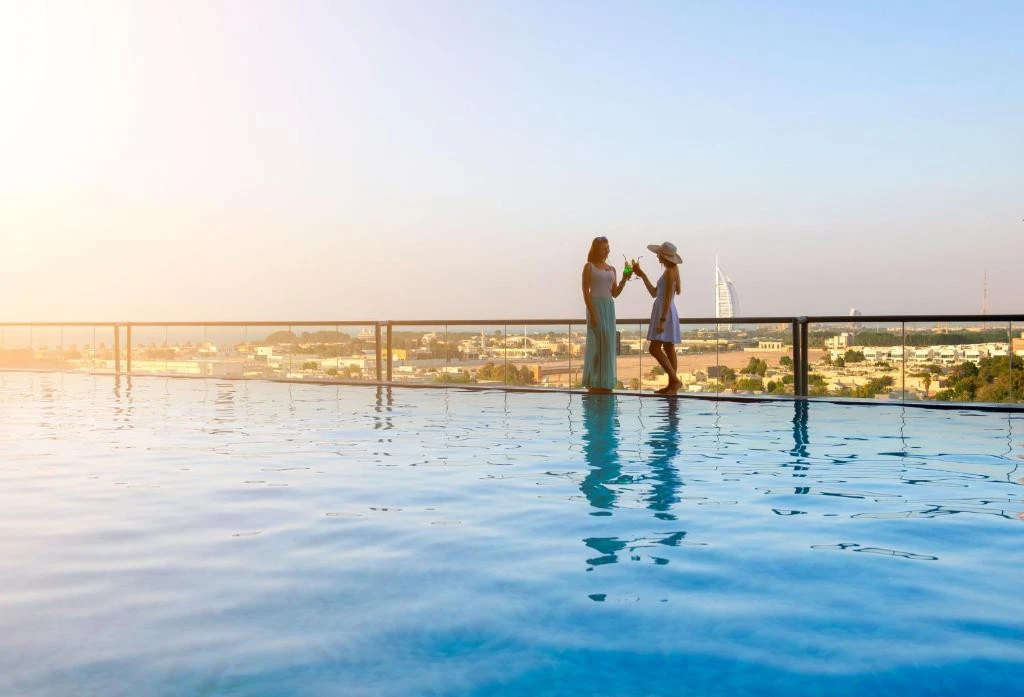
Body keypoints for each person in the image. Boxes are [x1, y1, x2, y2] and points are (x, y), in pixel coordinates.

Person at [581, 236, 630, 393]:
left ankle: (605, 382)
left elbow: (615, 293)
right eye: (603, 248)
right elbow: (585, 291)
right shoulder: (589, 267)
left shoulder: (612, 269)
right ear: (596, 249)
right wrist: (592, 313)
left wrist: (624, 279)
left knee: (608, 344)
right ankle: (593, 381)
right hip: (595, 305)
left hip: (609, 307)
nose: (606, 250)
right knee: (596, 344)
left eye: (608, 247)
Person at [634, 241, 682, 394]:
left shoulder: (669, 273)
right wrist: (642, 275)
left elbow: (667, 297)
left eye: (658, 254)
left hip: (664, 311)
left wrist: (662, 320)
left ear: (663, 256)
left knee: (654, 348)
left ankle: (675, 380)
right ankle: (672, 385)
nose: (657, 257)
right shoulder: (671, 271)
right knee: (668, 347)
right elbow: (654, 292)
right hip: (666, 310)